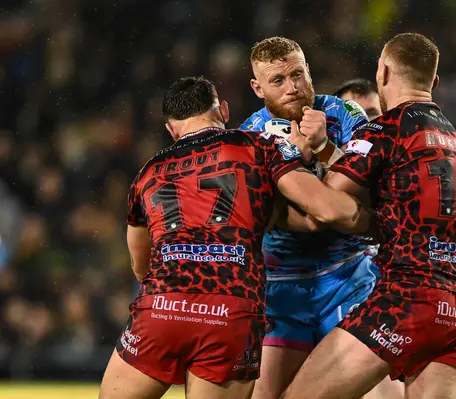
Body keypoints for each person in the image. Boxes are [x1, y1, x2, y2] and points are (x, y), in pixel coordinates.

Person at [98, 76, 371, 399]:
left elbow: (140, 261)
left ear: (171, 131)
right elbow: (325, 212)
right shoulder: (257, 147)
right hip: (230, 311)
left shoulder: (149, 171)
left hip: (163, 304)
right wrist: (378, 225)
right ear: (223, 111)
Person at [282, 32, 456, 399]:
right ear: (434, 82)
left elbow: (332, 195)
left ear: (384, 74)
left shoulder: (386, 128)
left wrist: (296, 160)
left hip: (409, 298)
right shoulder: (453, 137)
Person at [240, 36, 382, 399]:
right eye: (278, 81)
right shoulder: (247, 138)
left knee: (376, 393)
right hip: (282, 288)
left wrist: (324, 147)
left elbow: (377, 191)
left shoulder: (346, 115)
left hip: (348, 276)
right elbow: (262, 217)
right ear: (258, 88)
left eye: (298, 75)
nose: (293, 88)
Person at [334, 79, 406, 399]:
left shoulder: (405, 171)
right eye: (354, 116)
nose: (365, 125)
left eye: (374, 115)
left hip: (394, 296)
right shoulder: (317, 176)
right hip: (335, 294)